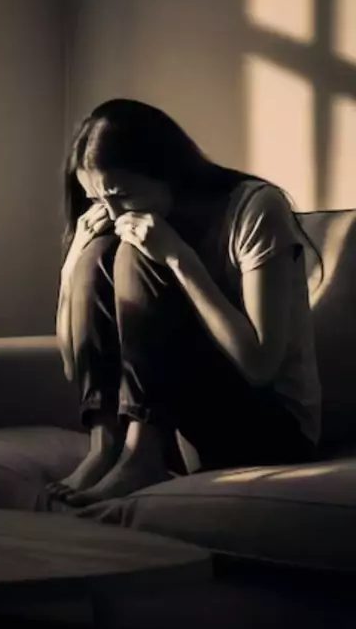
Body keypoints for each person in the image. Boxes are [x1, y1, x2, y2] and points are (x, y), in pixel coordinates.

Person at [46, 98, 323, 508]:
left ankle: (142, 457)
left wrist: (179, 258)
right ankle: (104, 449)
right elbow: (74, 365)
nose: (113, 213)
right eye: (97, 200)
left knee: (134, 255)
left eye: (121, 195)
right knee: (100, 252)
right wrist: (75, 260)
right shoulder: (113, 222)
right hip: (180, 430)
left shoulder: (255, 208)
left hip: (273, 428)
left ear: (166, 172)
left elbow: (260, 365)